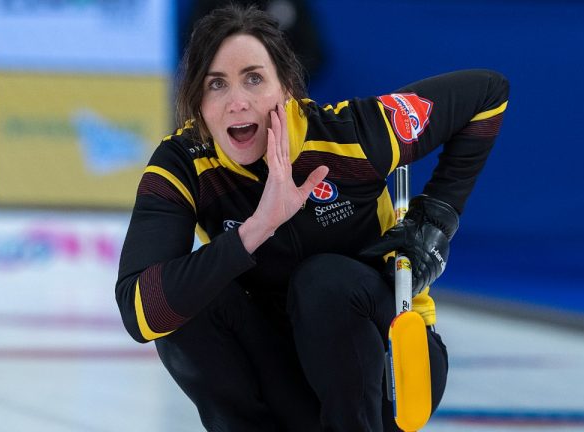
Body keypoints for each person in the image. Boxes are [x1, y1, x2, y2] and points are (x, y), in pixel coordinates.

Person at [115, 4, 509, 431]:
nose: (237, 102)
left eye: (254, 78)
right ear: (198, 104)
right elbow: (141, 313)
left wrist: (437, 218)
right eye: (216, 85)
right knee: (187, 302)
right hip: (284, 379)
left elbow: (488, 94)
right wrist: (257, 228)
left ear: (286, 89)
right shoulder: (183, 164)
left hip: (391, 376)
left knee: (322, 280)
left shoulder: (350, 134)